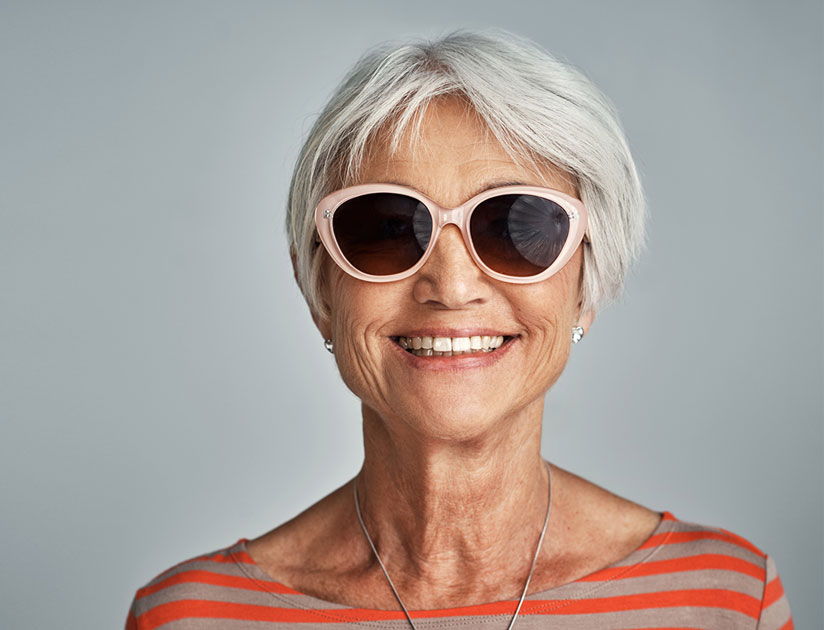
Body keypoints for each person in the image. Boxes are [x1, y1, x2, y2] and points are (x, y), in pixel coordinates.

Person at [124, 29, 794, 629]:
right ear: (320, 289)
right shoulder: (190, 619)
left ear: (584, 287)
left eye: (514, 227)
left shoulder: (727, 602)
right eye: (386, 228)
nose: (451, 285)